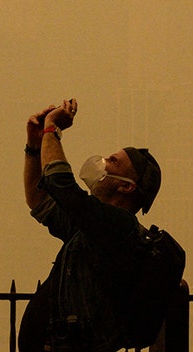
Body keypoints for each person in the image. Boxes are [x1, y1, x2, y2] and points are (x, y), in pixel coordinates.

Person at [18, 98, 164, 352]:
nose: (103, 162)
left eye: (113, 161)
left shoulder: (118, 226)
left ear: (126, 185)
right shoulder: (91, 227)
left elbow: (60, 185)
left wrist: (52, 128)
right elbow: (38, 199)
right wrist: (34, 144)